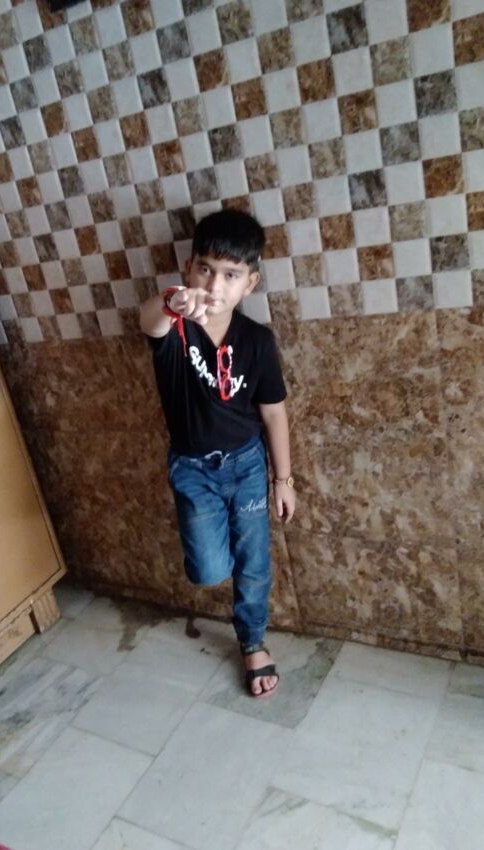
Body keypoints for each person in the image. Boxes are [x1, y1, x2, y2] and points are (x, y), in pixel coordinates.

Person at [140, 208, 295, 699]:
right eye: (205, 269)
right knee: (209, 571)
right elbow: (148, 321)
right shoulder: (174, 329)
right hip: (193, 470)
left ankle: (252, 642)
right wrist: (171, 303)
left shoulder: (257, 341)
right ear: (188, 269)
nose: (214, 284)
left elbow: (274, 413)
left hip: (247, 466)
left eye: (230, 274)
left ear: (250, 283)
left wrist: (283, 480)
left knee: (254, 562)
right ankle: (216, 556)